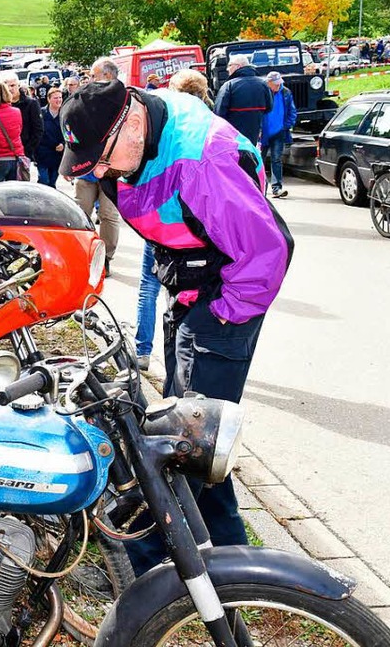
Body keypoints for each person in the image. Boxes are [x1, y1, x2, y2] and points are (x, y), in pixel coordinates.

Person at [59, 79, 293, 576]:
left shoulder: (203, 162)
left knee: (184, 444)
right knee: (187, 431)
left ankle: (167, 570)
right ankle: (218, 559)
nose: (99, 174)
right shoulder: (131, 130)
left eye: (101, 159)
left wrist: (217, 316)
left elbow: (267, 252)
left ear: (135, 124)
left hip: (225, 300)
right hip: (190, 288)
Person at [133, 68, 215, 371]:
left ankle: (144, 350)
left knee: (150, 286)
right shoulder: (211, 125)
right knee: (192, 291)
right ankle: (188, 358)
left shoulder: (161, 125)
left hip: (161, 221)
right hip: (197, 224)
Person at [71, 56, 123, 275]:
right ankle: (81, 255)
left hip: (113, 170)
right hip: (86, 169)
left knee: (109, 215)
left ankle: (105, 259)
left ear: (107, 76)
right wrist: (70, 163)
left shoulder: (125, 100)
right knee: (79, 213)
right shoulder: (84, 98)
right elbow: (71, 129)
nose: (89, 79)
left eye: (94, 75)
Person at [214, 53, 272, 144]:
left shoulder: (229, 85)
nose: (227, 69)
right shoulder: (263, 84)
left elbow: (218, 113)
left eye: (229, 65)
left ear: (238, 66)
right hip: (255, 134)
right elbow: (269, 107)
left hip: (233, 137)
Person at [260, 71, 297, 199]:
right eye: (275, 84)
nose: (278, 86)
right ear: (268, 82)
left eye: (279, 83)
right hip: (262, 133)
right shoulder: (262, 91)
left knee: (276, 159)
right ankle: (259, 187)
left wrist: (286, 126)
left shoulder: (286, 92)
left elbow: (292, 111)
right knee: (259, 160)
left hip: (279, 132)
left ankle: (277, 188)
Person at [0, 70, 42, 162]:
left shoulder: (31, 103)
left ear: (18, 85)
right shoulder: (0, 105)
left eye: (13, 85)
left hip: (24, 151)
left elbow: (38, 129)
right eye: (7, 86)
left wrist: (27, 150)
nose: (10, 89)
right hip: (4, 154)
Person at [35, 87, 64, 188]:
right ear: (49, 99)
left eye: (60, 97)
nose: (58, 100)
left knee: (52, 182)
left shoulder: (64, 114)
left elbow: (69, 132)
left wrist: (63, 144)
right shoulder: (41, 113)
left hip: (58, 155)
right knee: (44, 180)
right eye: (55, 98)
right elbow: (38, 133)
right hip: (43, 153)